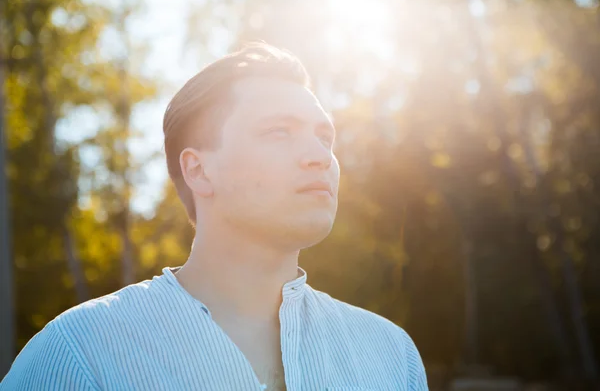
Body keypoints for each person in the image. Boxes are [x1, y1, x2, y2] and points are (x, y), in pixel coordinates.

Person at [1, 43, 428, 391]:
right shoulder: (78, 354)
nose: (320, 156)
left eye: (325, 137)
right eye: (279, 132)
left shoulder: (392, 357)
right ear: (199, 170)